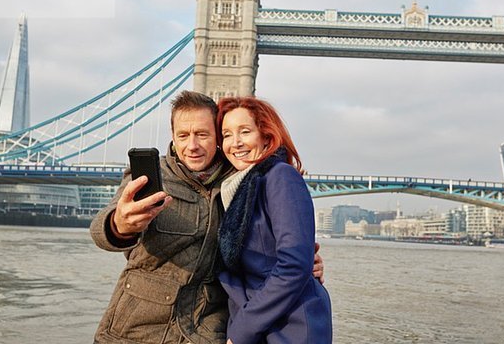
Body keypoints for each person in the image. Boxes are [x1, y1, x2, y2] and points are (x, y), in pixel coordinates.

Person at [90, 91, 324, 344]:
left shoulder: (242, 181)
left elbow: (277, 245)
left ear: (216, 136)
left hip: (205, 330)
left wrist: (304, 262)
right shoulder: (151, 175)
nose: (192, 146)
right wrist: (120, 225)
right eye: (183, 136)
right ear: (173, 137)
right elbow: (101, 231)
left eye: (202, 134)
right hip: (134, 328)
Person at [217, 97, 333, 344]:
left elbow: (293, 265)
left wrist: (241, 332)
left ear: (267, 137)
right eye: (226, 135)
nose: (235, 143)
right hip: (263, 324)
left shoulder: (280, 176)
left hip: (290, 328)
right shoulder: (236, 189)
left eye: (244, 132)